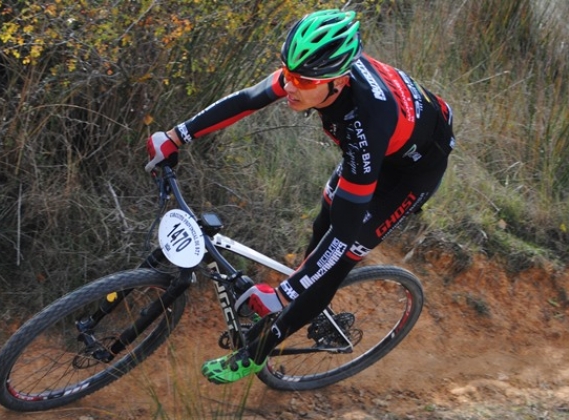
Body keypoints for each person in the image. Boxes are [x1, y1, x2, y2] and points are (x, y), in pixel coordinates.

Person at [145, 9, 455, 384]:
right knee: (322, 223)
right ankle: (308, 297)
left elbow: (343, 235)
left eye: (302, 80)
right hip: (388, 142)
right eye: (287, 73)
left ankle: (256, 352)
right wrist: (176, 136)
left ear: (338, 82)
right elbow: (248, 99)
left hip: (411, 171)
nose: (289, 86)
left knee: (341, 247)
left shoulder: (365, 124)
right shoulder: (314, 73)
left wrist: (284, 293)